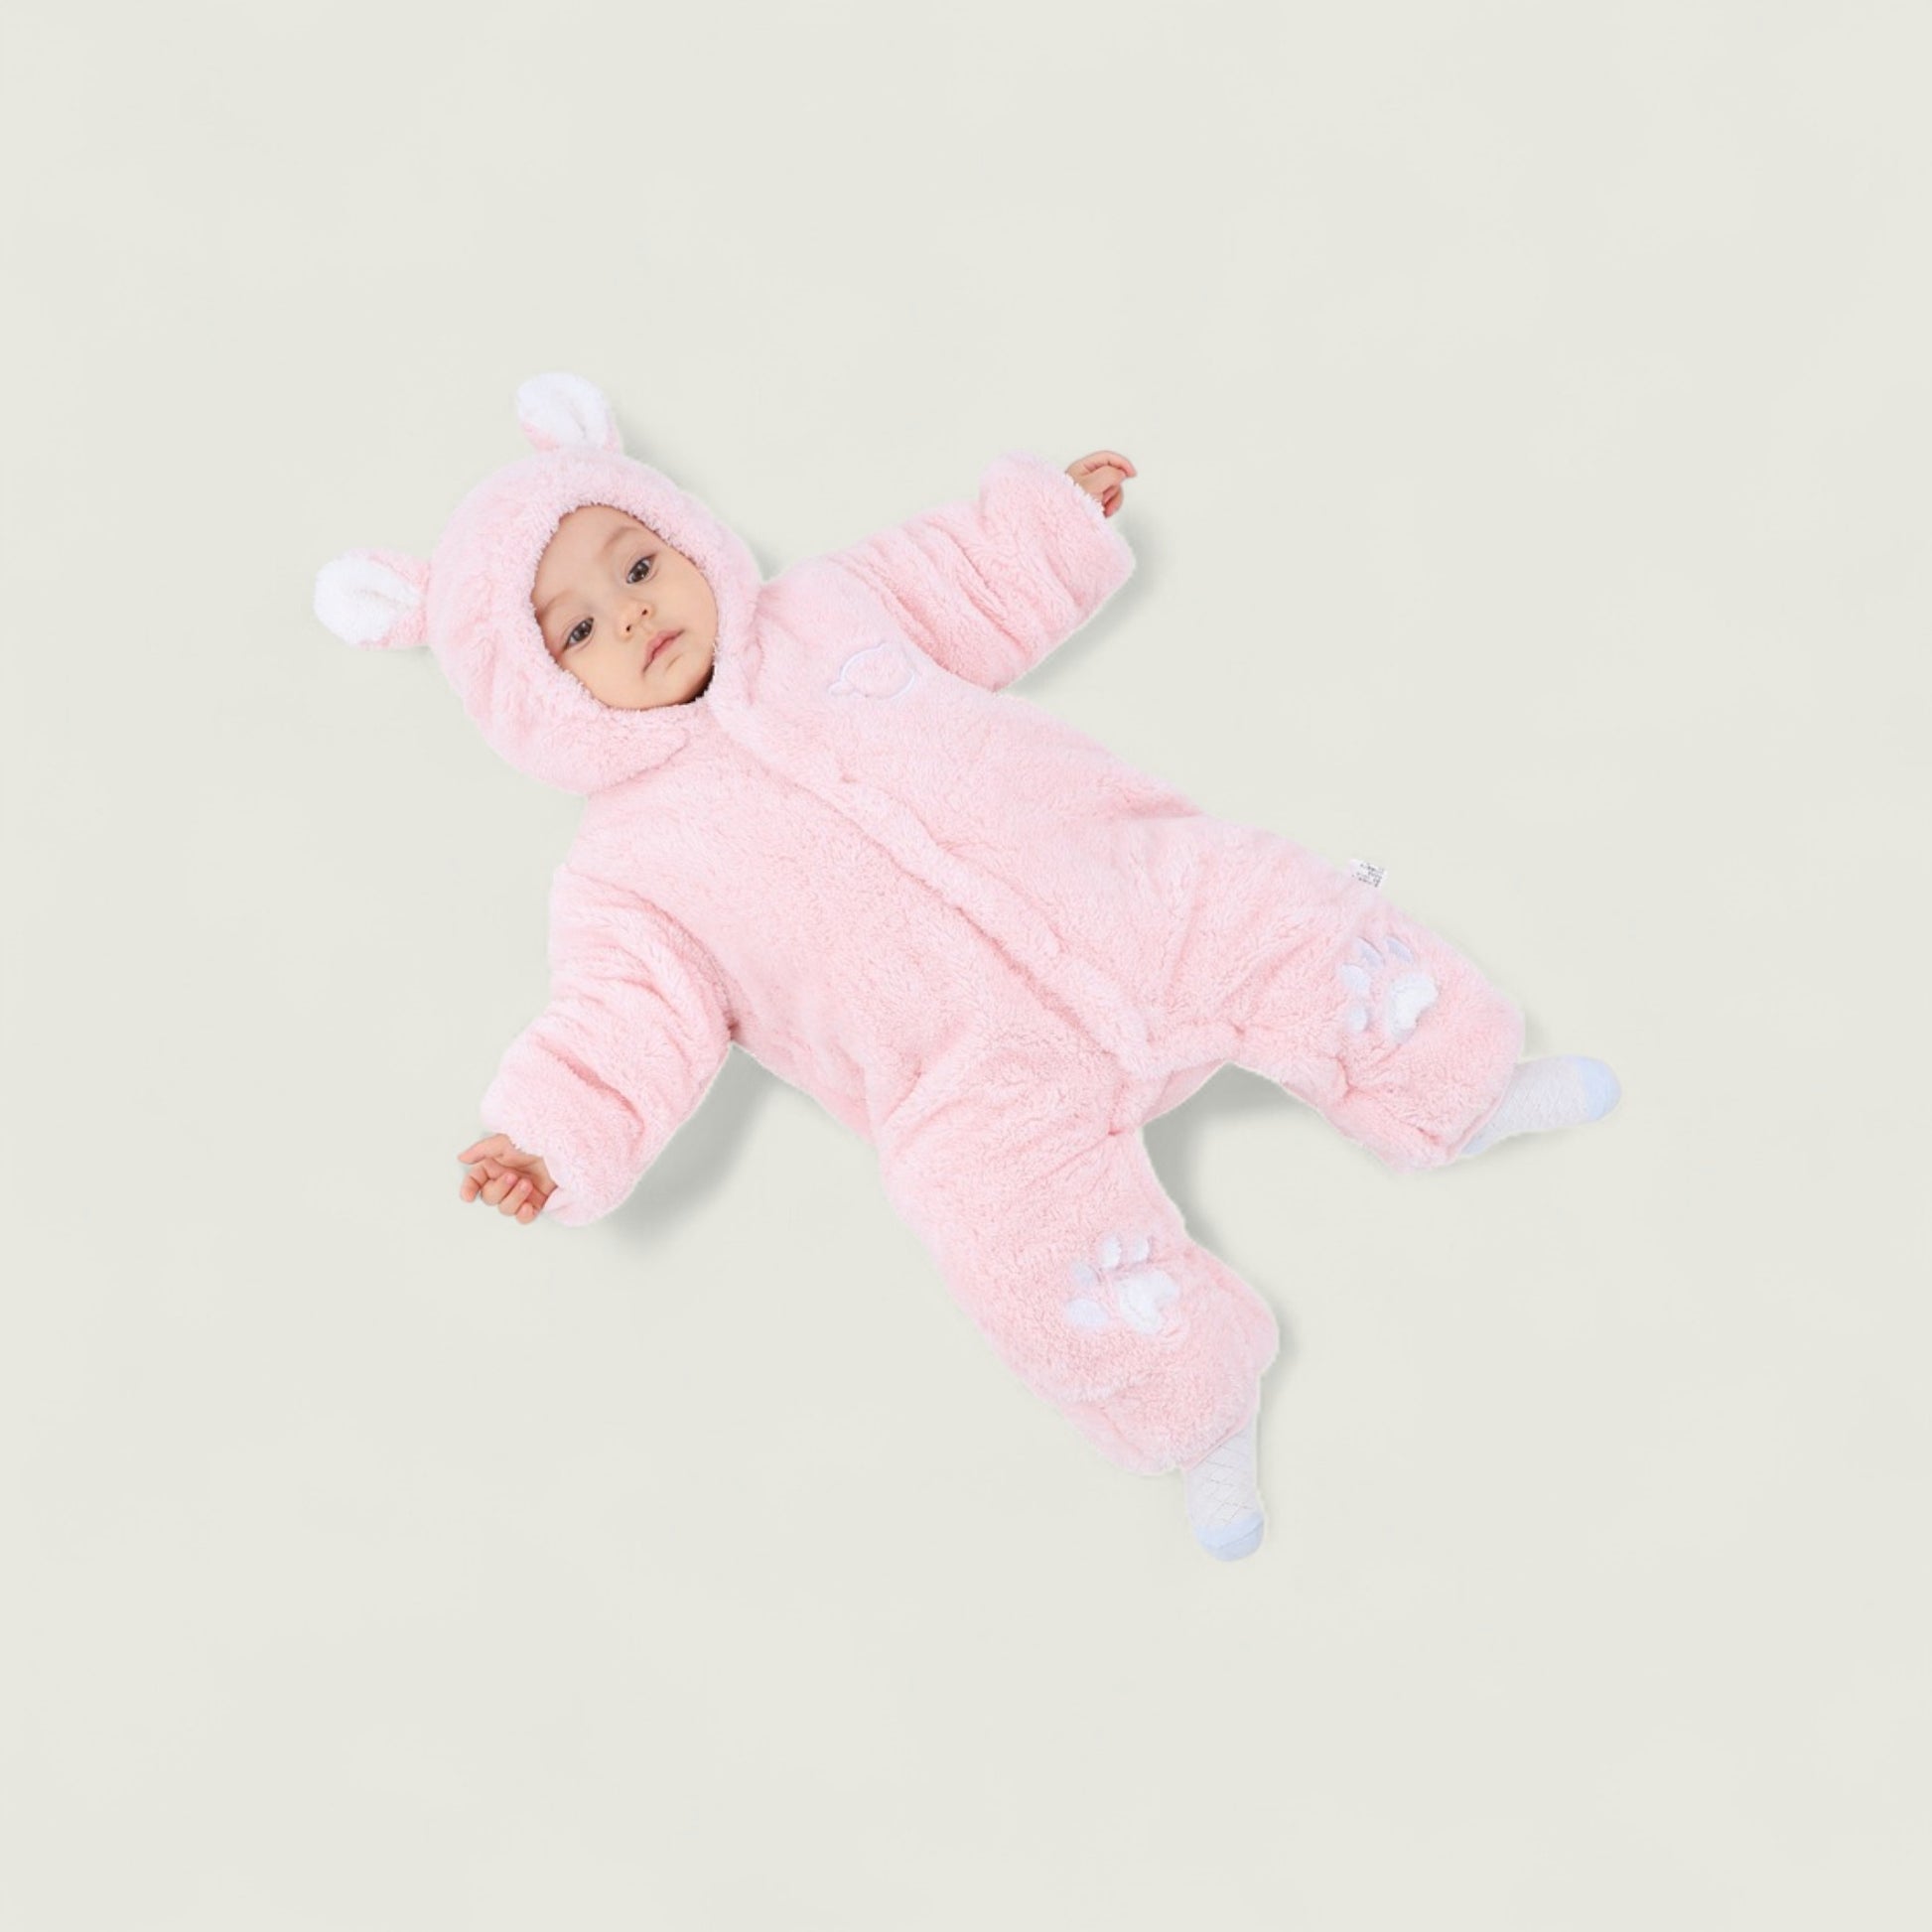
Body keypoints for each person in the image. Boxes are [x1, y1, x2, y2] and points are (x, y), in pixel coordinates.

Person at [317, 372, 1619, 1563]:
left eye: (640, 560)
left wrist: (1051, 523)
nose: (635, 610)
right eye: (578, 627)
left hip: (1130, 892)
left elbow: (968, 578)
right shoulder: (625, 872)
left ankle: (1456, 1082)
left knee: (1287, 908)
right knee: (1006, 1242)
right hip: (966, 1076)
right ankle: (1198, 1401)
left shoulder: (830, 610)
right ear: (533, 697)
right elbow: (621, 1020)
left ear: (687, 532)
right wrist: (545, 1137)